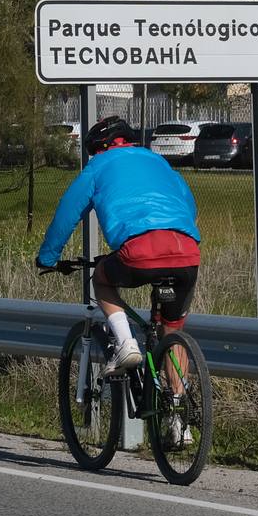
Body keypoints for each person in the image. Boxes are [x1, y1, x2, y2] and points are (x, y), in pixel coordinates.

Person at [36, 115, 202, 378]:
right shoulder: (158, 161)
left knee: (101, 279)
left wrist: (48, 257)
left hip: (139, 251)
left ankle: (126, 343)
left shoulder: (98, 167)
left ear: (100, 148)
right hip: (186, 251)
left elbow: (67, 214)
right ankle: (178, 412)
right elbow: (189, 207)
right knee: (173, 330)